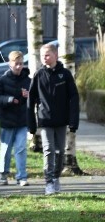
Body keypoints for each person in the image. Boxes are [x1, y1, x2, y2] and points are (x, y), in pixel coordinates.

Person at [27, 42, 79, 195]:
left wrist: (73, 122)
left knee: (60, 151)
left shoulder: (65, 74)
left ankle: (56, 177)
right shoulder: (38, 75)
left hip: (61, 120)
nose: (44, 58)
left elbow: (74, 97)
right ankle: (49, 181)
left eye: (47, 55)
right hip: (45, 120)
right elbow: (31, 100)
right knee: (48, 149)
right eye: (42, 56)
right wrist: (31, 125)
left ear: (55, 55)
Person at [0, 50, 30, 187]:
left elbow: (34, 98)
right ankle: (3, 173)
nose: (19, 67)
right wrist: (9, 99)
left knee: (21, 148)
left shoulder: (28, 80)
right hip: (7, 120)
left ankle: (22, 176)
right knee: (6, 149)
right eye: (16, 64)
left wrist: (27, 96)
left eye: (21, 64)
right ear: (10, 64)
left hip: (22, 120)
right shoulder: (1, 80)